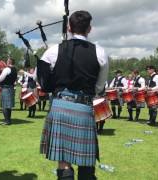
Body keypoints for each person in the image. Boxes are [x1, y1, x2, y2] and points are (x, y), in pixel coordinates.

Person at [38, 11, 109, 179]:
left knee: (64, 161)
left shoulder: (53, 51)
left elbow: (44, 84)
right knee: (86, 161)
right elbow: (99, 86)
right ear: (89, 29)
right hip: (84, 107)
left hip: (60, 106)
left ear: (69, 27)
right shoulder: (100, 52)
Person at [0, 58, 17, 125]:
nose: (6, 62)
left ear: (9, 62)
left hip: (6, 88)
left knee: (5, 105)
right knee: (8, 106)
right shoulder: (15, 69)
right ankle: (8, 120)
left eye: (7, 61)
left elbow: (1, 78)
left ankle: (7, 121)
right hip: (11, 88)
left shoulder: (7, 69)